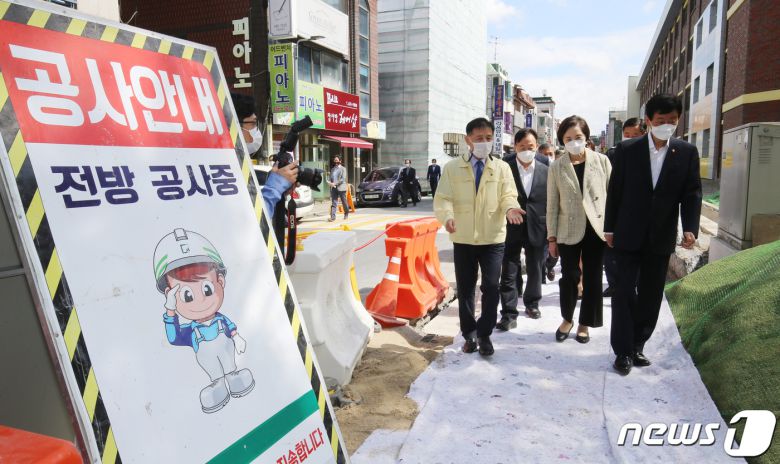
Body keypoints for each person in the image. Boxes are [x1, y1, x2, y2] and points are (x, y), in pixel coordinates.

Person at [605, 94, 702, 375]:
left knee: (650, 294)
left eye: (672, 120)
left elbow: (692, 193)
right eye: (661, 120)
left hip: (660, 236)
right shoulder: (628, 150)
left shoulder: (686, 152)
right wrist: (609, 227)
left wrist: (690, 227)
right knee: (623, 291)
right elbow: (616, 191)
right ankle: (622, 351)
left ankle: (638, 344)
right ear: (648, 120)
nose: (667, 125)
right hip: (627, 233)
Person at [434, 117, 524, 356]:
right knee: (465, 289)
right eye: (478, 138)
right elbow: (443, 198)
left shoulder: (502, 168)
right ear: (468, 140)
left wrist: (511, 208)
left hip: (493, 238)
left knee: (491, 287)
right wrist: (447, 217)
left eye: (488, 138)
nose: (484, 142)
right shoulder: (452, 168)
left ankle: (485, 333)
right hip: (463, 237)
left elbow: (508, 195)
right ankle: (469, 334)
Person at [547, 115, 611, 344]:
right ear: (562, 141)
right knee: (569, 276)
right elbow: (552, 204)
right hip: (568, 229)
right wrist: (551, 237)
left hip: (596, 228)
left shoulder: (602, 161)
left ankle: (585, 323)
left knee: (593, 277)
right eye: (568, 138)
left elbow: (612, 196)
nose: (574, 141)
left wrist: (612, 229)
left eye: (578, 137)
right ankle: (567, 318)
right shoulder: (556, 166)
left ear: (586, 137)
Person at [497, 128, 548, 330]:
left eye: (531, 146)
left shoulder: (546, 168)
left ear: (536, 147)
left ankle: (532, 303)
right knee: (509, 270)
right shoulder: (505, 167)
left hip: (538, 225)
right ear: (515, 147)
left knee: (535, 268)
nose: (527, 150)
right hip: (511, 225)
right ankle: (509, 313)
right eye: (522, 146)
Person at [231, 93, 298, 216]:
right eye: (253, 123)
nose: (256, 130)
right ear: (235, 126)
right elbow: (256, 217)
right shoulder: (229, 169)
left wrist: (281, 189)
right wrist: (275, 186)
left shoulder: (239, 162)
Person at [603, 118, 646, 297]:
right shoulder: (614, 153)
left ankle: (636, 284)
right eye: (626, 135)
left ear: (644, 134)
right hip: (615, 209)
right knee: (610, 251)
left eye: (634, 135)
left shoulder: (649, 154)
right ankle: (613, 283)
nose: (630, 138)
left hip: (640, 213)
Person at [328, 157, 349, 221]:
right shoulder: (332, 169)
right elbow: (330, 178)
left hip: (341, 187)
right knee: (334, 202)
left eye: (337, 160)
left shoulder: (343, 169)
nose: (335, 162)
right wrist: (330, 182)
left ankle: (346, 213)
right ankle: (333, 217)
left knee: (344, 202)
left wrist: (335, 183)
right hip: (334, 188)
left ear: (340, 161)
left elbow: (343, 179)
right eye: (335, 160)